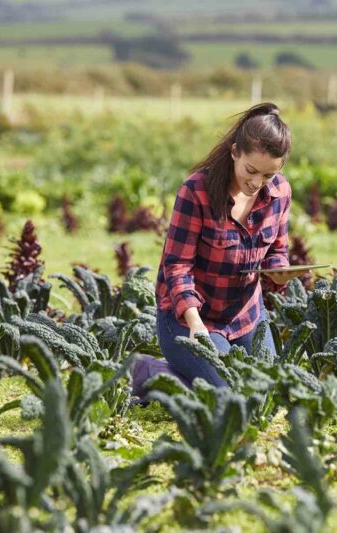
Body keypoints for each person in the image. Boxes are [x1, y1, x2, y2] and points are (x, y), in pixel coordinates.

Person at [131, 102, 311, 394]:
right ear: (234, 152)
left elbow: (278, 250)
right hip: (188, 317)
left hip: (246, 315)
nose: (257, 183)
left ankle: (171, 372)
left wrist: (278, 272)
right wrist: (194, 323)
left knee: (267, 389)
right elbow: (176, 266)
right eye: (250, 171)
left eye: (267, 176)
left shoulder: (280, 192)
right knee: (226, 393)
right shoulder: (196, 191)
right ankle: (149, 371)